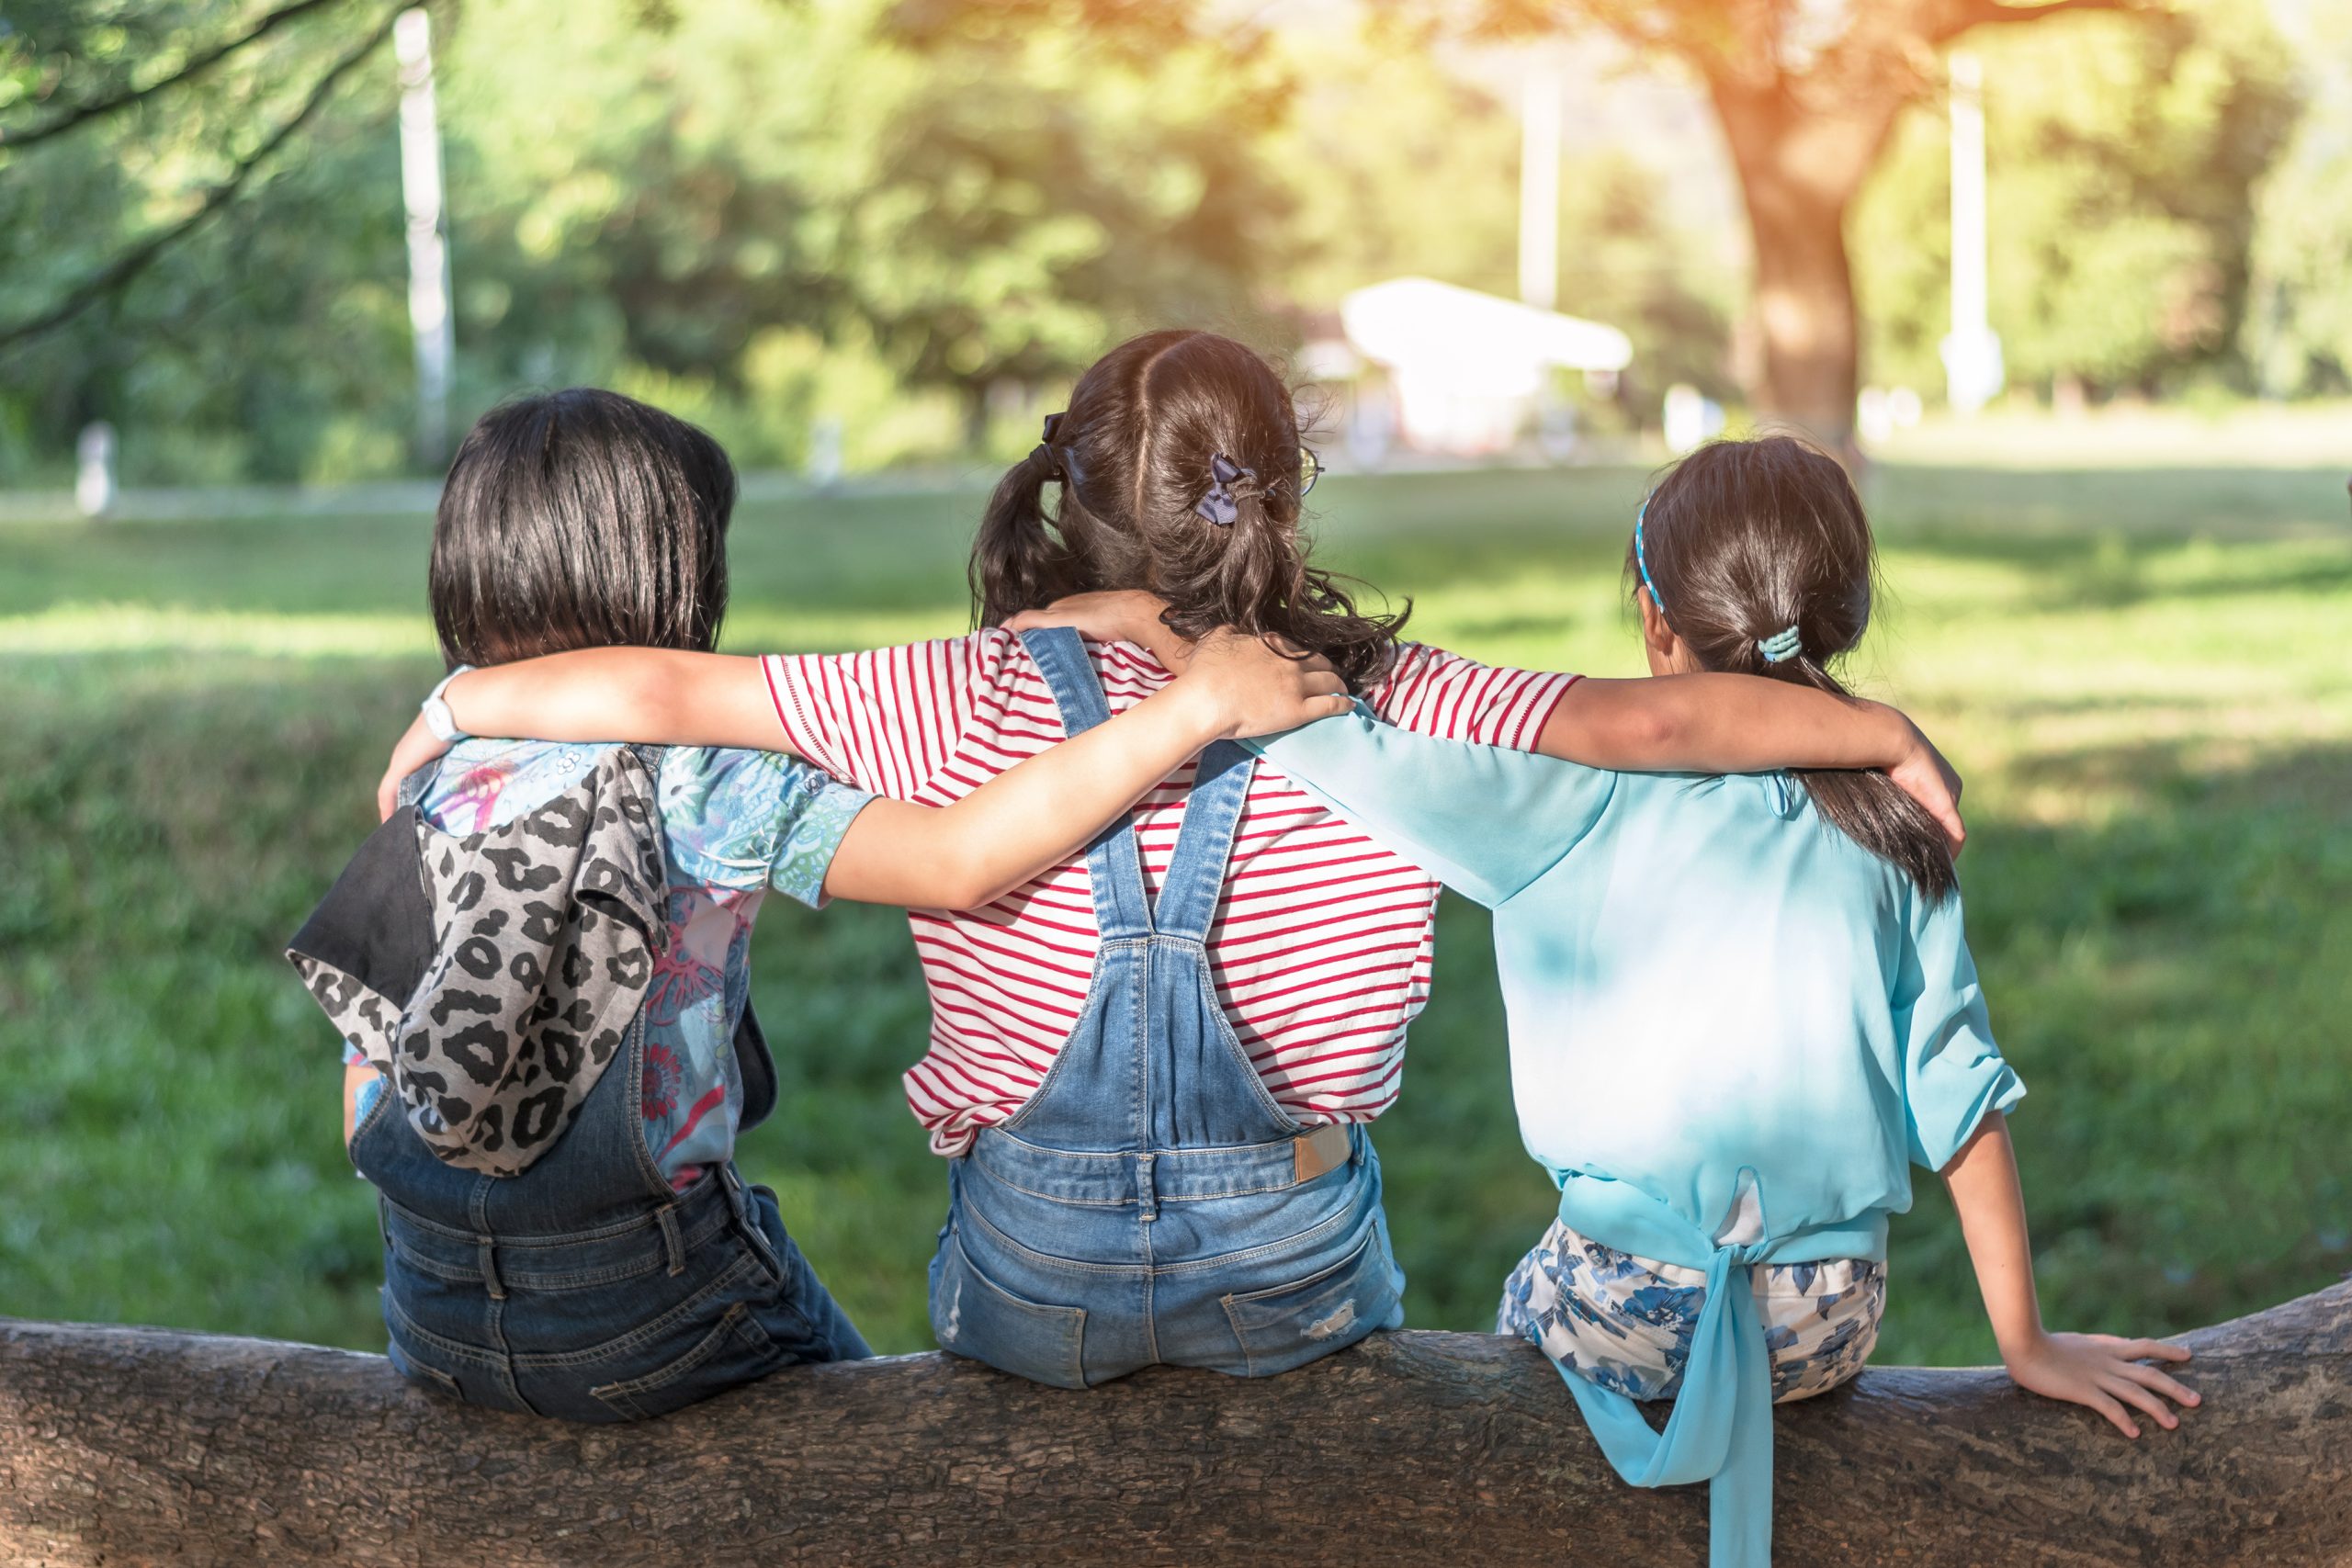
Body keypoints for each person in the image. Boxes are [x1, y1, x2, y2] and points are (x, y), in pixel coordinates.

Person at [376, 333, 1965, 1390]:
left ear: (1075, 501)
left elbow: (661, 687)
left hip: (1030, 1280)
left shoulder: (950, 685)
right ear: (1282, 499)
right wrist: (1871, 726)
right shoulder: (1384, 696)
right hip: (1295, 1283)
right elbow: (1661, 724)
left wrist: (462, 699)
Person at [1222, 434, 2197, 1565]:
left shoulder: (1562, 801)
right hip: (1829, 1319)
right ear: (1842, 614)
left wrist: (1226, 673)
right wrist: (2024, 1342)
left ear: (1653, 617)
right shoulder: (1896, 831)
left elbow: (1345, 752)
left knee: (1525, 1305)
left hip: (1625, 1308)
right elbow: (1962, 1097)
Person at [300, 388, 1347, 1422]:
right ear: (667, 577)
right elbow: (957, 858)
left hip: (424, 1304)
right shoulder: (703, 779)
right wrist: (1192, 709)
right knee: (892, 1451)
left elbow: (365, 1091)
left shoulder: (437, 767)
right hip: (641, 1308)